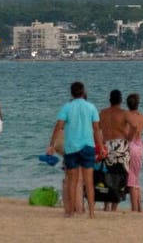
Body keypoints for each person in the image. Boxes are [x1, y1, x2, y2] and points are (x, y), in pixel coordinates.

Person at [48, 81, 102, 217]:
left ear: (71, 93)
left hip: (71, 147)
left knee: (72, 180)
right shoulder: (91, 107)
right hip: (88, 146)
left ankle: (71, 211)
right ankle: (91, 212)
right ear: (83, 92)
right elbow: (96, 129)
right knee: (88, 181)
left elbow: (59, 126)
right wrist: (100, 146)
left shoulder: (67, 107)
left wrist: (51, 145)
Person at [97, 90, 136, 211]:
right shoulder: (124, 113)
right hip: (120, 145)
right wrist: (129, 137)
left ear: (110, 100)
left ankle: (106, 205)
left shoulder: (103, 113)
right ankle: (114, 206)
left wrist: (101, 144)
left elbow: (96, 129)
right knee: (121, 175)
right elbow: (134, 126)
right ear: (120, 100)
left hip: (107, 145)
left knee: (106, 174)